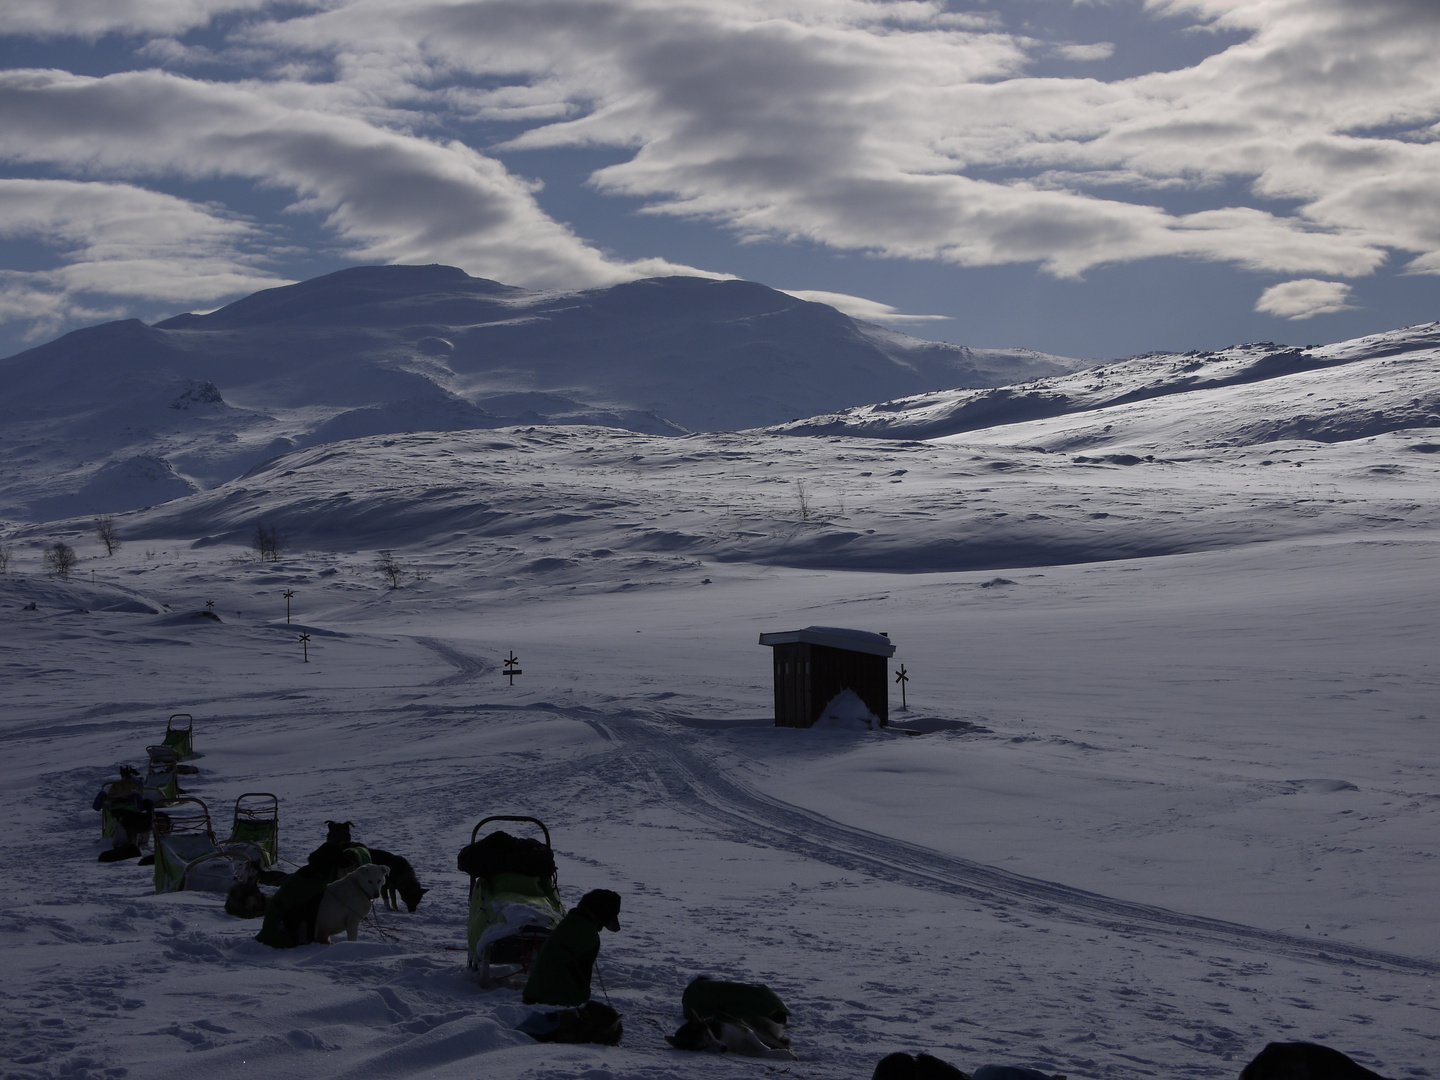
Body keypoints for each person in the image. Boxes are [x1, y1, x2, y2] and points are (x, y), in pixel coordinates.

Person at [522, 889, 621, 1007]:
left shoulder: (569, 924)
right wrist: (582, 998)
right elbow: (583, 977)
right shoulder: (587, 934)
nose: (616, 925)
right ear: (604, 912)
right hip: (554, 1000)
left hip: (533, 993)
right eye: (613, 915)